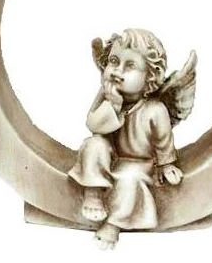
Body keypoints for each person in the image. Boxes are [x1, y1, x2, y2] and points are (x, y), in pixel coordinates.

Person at [68, 28, 186, 250]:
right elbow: (94, 125)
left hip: (138, 164)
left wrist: (166, 163)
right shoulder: (107, 96)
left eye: (130, 65)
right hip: (110, 157)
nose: (117, 71)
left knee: (131, 179)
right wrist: (112, 105)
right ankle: (93, 193)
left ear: (150, 77)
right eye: (113, 61)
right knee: (93, 144)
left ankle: (113, 224)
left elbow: (163, 141)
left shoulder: (154, 109)